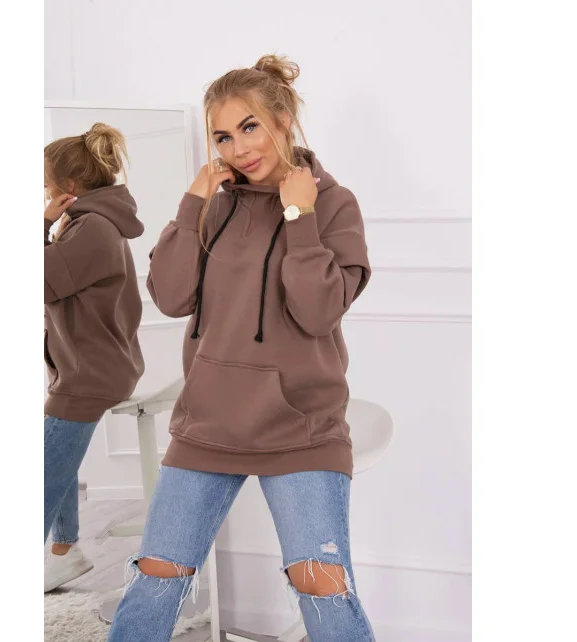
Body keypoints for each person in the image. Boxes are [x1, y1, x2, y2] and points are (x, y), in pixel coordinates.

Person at [108, 55, 374, 641]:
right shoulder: (216, 205)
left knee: (321, 586)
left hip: (301, 429)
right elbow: (171, 296)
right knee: (155, 580)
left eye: (249, 126)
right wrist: (192, 203)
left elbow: (318, 311)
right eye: (223, 136)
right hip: (208, 423)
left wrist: (299, 214)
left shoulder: (334, 204)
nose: (237, 148)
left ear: (283, 120)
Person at [43, 123, 145, 592]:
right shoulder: (91, 224)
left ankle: (62, 552)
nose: (44, 191)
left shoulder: (93, 228)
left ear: (68, 186)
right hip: (91, 368)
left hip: (90, 373)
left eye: (46, 183)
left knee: (43, 472)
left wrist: (40, 225)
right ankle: (64, 552)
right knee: (56, 461)